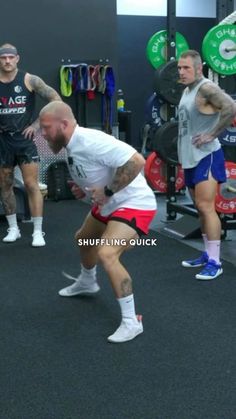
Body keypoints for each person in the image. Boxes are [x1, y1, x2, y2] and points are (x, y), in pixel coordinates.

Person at [39, 101, 157, 343]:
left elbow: (136, 161)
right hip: (109, 204)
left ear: (64, 125)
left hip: (134, 203)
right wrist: (83, 188)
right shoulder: (70, 144)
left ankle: (131, 322)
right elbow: (94, 169)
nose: (42, 133)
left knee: (106, 253)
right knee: (83, 238)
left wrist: (108, 191)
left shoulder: (91, 141)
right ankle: (87, 281)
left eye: (46, 128)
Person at [177, 50, 236, 280]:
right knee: (199, 208)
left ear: (199, 68)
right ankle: (206, 253)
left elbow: (231, 107)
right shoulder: (187, 90)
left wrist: (212, 134)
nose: (181, 72)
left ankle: (215, 261)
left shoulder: (206, 88)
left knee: (206, 206)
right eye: (180, 68)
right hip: (190, 157)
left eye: (186, 68)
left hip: (207, 156)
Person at [0, 43, 62, 246]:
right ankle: (13, 228)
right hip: (2, 141)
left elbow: (56, 99)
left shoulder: (30, 80)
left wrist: (37, 125)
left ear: (17, 58)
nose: (7, 61)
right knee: (5, 185)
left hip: (24, 141)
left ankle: (37, 231)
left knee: (31, 185)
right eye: (3, 58)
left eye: (10, 57)